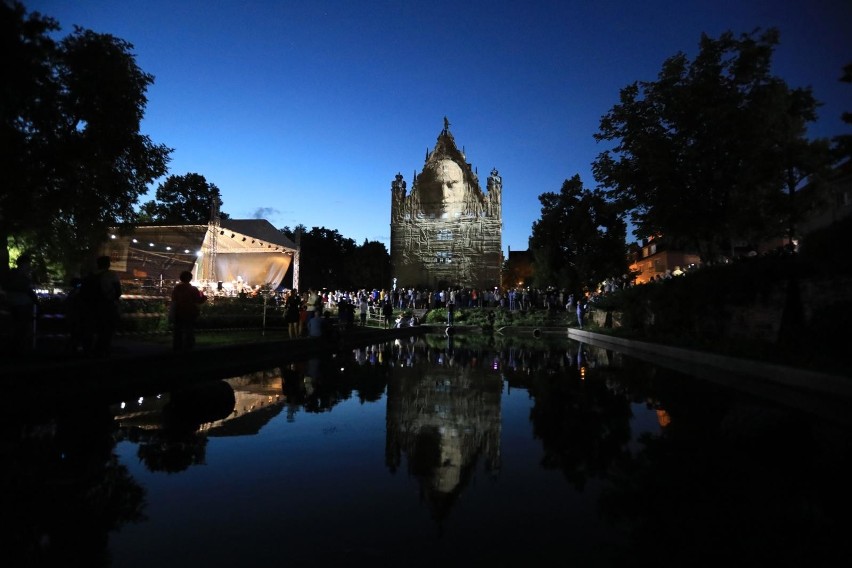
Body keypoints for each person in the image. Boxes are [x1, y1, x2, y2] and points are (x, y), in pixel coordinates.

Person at [81, 255, 122, 356]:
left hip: (90, 306)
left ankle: (88, 349)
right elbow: (118, 291)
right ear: (108, 264)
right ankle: (102, 349)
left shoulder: (90, 275)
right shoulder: (112, 275)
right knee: (107, 328)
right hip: (106, 305)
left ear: (98, 264)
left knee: (91, 328)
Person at [1, 252, 39, 355]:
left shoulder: (15, 275)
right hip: (21, 305)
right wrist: (36, 301)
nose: (29, 266)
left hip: (17, 304)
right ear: (23, 264)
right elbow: (26, 289)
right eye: (28, 263)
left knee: (19, 328)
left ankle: (17, 349)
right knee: (21, 328)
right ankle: (19, 350)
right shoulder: (19, 276)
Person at [170, 270, 207, 351]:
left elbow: (174, 301)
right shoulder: (193, 289)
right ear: (190, 278)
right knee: (189, 330)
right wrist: (203, 296)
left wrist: (172, 313)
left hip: (179, 312)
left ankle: (177, 347)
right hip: (190, 313)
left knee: (178, 331)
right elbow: (199, 300)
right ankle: (189, 347)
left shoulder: (177, 289)